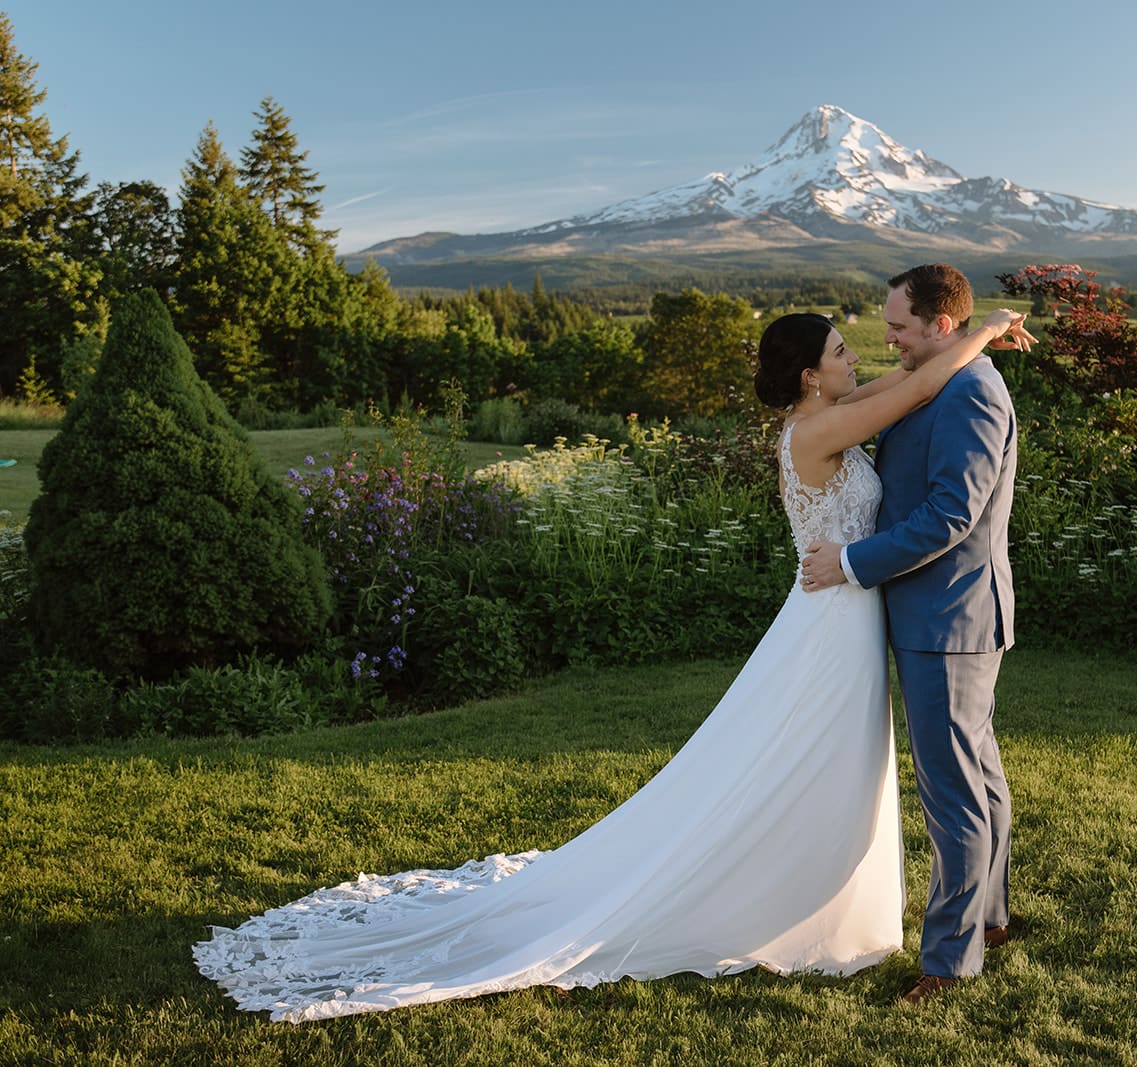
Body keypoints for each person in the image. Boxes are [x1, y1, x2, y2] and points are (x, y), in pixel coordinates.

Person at [192, 302, 1029, 1023]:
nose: (862, 358)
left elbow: (905, 384)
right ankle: (760, 900)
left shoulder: (831, 408)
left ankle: (822, 894)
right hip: (829, 625)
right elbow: (917, 385)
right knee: (793, 766)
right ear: (811, 378)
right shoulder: (816, 429)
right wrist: (988, 325)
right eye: (843, 350)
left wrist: (969, 341)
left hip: (844, 621)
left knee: (827, 770)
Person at [801, 263, 1024, 1005]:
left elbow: (949, 516)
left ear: (940, 325)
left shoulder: (972, 392)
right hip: (940, 615)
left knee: (953, 793)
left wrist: (853, 561)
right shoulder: (936, 377)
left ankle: (949, 961)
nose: (887, 336)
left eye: (898, 326)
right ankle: (987, 917)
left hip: (949, 618)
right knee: (978, 776)